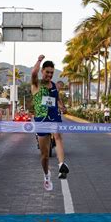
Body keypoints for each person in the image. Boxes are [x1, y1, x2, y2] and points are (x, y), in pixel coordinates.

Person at [31, 55, 69, 191]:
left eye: (52, 73)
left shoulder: (54, 86)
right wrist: (39, 60)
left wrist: (62, 108)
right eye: (47, 72)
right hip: (41, 119)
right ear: (43, 71)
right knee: (45, 155)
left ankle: (61, 165)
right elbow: (33, 73)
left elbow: (57, 100)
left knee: (58, 137)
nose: (49, 75)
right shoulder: (36, 84)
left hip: (53, 116)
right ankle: (46, 175)